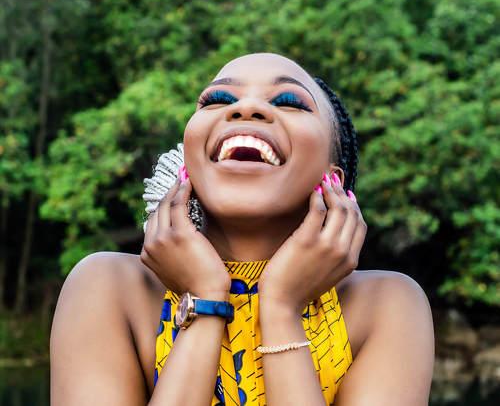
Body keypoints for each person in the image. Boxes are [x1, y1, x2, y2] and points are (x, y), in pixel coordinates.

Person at [50, 53, 435, 405]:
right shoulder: (107, 287)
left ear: (333, 181)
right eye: (218, 99)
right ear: (185, 163)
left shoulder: (387, 306)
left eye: (289, 101)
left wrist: (281, 306)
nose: (247, 108)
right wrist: (204, 298)